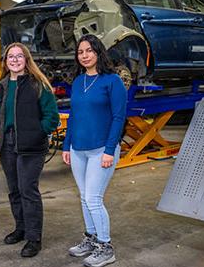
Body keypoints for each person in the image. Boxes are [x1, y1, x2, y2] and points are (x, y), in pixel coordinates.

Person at [0, 42, 60, 258]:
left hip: (31, 147)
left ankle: (33, 238)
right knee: (14, 190)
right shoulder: (1, 86)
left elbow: (52, 117)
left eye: (20, 56)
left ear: (26, 60)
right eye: (11, 57)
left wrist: (38, 132)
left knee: (28, 190)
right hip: (7, 145)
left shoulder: (38, 84)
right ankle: (21, 228)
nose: (15, 60)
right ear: (6, 61)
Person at [62, 34, 127, 267]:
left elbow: (119, 117)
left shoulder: (112, 81)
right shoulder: (79, 82)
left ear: (99, 52)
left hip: (102, 149)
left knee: (93, 198)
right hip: (78, 149)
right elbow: (74, 116)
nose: (85, 55)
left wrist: (110, 149)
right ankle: (90, 239)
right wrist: (66, 145)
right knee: (84, 198)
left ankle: (106, 247)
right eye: (80, 52)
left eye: (89, 50)